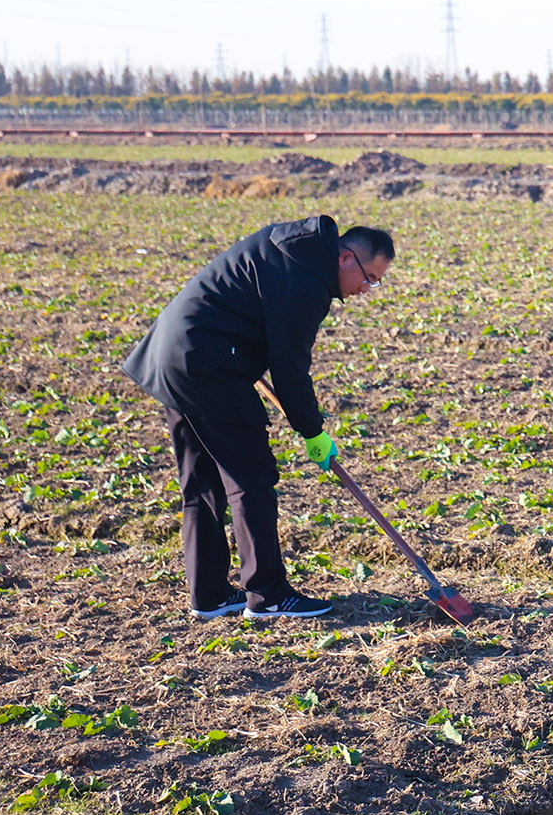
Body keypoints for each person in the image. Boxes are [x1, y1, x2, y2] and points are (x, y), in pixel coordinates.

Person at [122, 217, 394, 622]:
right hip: (207, 367)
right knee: (251, 478)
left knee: (203, 480)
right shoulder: (306, 281)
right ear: (344, 258)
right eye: (369, 278)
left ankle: (210, 595)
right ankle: (268, 595)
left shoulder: (287, 248)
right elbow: (289, 367)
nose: (366, 290)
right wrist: (312, 431)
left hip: (174, 356)